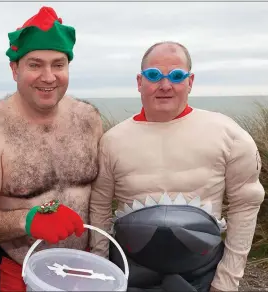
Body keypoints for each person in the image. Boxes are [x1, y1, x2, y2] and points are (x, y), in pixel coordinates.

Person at [89, 41, 265, 292]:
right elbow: (99, 207)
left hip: (202, 273)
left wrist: (227, 281)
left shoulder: (230, 135)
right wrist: (102, 272)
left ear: (190, 82)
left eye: (176, 76)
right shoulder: (112, 141)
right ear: (140, 82)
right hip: (130, 271)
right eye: (153, 75)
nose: (165, 85)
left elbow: (245, 205)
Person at [0, 6, 103, 292]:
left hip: (84, 266)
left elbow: (102, 194)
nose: (48, 77)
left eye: (58, 64)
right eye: (35, 65)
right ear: (14, 69)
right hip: (18, 270)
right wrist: (27, 220)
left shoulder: (89, 119)